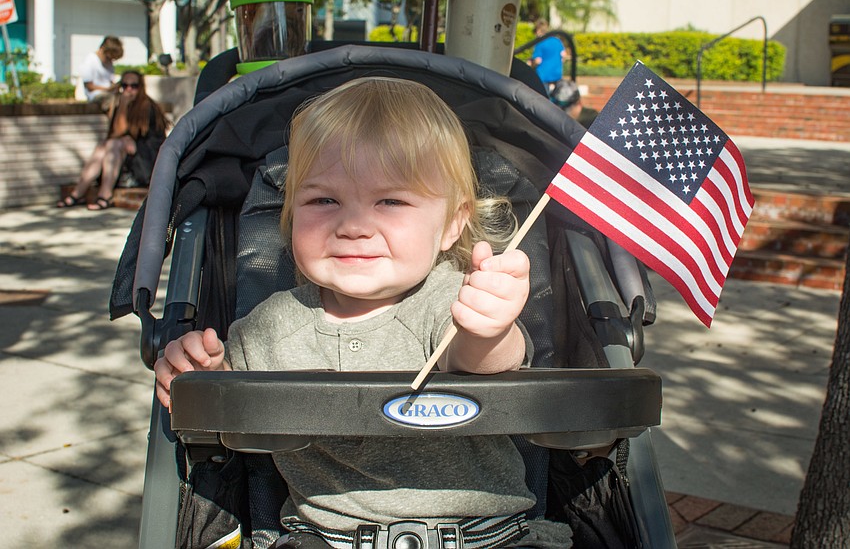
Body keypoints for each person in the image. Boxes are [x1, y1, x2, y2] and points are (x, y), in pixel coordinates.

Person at [154, 77, 573, 548]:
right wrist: (200, 374)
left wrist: (490, 328)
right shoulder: (269, 326)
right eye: (323, 200)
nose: (353, 226)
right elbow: (225, 417)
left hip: (485, 536)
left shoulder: (452, 300)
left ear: (452, 225)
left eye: (390, 201)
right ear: (289, 215)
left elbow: (483, 360)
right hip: (324, 536)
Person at [57, 71, 168, 210]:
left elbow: (148, 143)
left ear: (141, 88)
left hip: (145, 164)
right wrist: (122, 106)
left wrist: (130, 141)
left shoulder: (148, 108)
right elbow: (115, 133)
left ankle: (105, 194)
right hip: (124, 161)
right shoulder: (122, 105)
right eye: (124, 85)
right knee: (103, 146)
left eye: (134, 86)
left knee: (115, 143)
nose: (129, 90)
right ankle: (79, 192)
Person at [79, 36, 124, 103]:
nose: (110, 60)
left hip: (110, 93)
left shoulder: (109, 63)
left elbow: (110, 81)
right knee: (113, 100)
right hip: (96, 96)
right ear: (102, 49)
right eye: (109, 57)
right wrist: (108, 89)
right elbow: (89, 87)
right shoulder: (90, 61)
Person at [531, 20, 566, 93]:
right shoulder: (557, 41)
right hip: (557, 75)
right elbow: (563, 56)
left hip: (543, 76)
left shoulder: (540, 43)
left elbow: (538, 60)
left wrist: (531, 65)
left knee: (544, 99)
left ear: (538, 30)